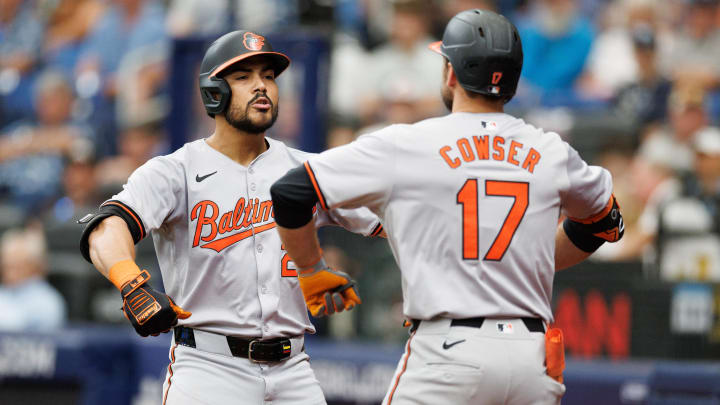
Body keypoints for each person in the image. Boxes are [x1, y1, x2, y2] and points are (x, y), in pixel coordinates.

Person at [270, 9, 624, 405]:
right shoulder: (550, 150)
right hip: (532, 359)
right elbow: (606, 222)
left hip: (449, 352)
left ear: (451, 74)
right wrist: (522, 260)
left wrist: (310, 269)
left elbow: (291, 191)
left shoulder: (408, 144)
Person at [78, 30, 382, 405]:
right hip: (209, 369)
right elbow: (106, 229)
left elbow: (399, 221)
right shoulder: (175, 171)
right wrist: (130, 283)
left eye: (268, 77)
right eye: (244, 77)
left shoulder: (306, 169)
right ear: (213, 91)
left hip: (294, 370)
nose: (261, 86)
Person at [0, 226, 67, 331]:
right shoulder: (3, 293)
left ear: (35, 266)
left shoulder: (47, 301)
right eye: (6, 266)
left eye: (17, 266)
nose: (9, 273)